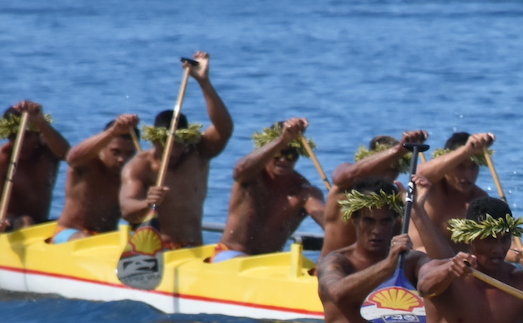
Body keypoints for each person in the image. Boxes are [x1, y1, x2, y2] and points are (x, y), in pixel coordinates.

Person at [315, 181, 426, 323]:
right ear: (354, 219)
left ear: (396, 222)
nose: (377, 230)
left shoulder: (410, 262)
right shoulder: (336, 262)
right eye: (369, 220)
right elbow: (338, 293)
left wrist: (418, 212)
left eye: (386, 221)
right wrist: (388, 265)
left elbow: (441, 272)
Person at [118, 50, 232, 250]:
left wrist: (204, 82)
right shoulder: (141, 166)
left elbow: (225, 128)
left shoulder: (199, 153)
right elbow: (127, 209)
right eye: (168, 144)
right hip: (155, 249)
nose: (174, 150)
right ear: (155, 141)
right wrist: (147, 202)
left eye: (180, 143)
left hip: (193, 247)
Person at [407, 131, 523, 267]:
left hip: (456, 273)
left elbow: (493, 242)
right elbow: (417, 175)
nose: (467, 175)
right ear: (449, 164)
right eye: (460, 167)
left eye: (473, 167)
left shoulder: (479, 200)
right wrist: (468, 149)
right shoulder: (430, 187)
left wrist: (518, 254)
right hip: (419, 267)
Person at [214, 118, 327, 260]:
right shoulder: (250, 177)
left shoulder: (304, 191)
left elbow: (330, 225)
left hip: (268, 262)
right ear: (267, 150)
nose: (283, 160)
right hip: (229, 254)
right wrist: (283, 139)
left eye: (291, 155)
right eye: (279, 153)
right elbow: (239, 170)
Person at [322, 130, 427, 254]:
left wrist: (418, 208)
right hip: (334, 269)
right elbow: (345, 175)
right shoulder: (344, 186)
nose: (389, 173)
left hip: (379, 270)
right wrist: (400, 151)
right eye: (384, 165)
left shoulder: (400, 200)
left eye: (394, 167)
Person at [0, 100, 69, 233]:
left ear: (38, 133)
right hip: (8, 223)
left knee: (71, 222)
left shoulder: (50, 152)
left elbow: (67, 154)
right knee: (26, 221)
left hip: (40, 222)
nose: (20, 142)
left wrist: (41, 122)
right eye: (14, 136)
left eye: (26, 135)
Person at [52, 114, 137, 242]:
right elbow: (71, 158)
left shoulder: (133, 174)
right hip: (69, 232)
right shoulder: (87, 163)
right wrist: (113, 132)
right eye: (115, 152)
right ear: (103, 148)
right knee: (85, 239)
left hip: (105, 238)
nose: (122, 159)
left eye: (129, 153)